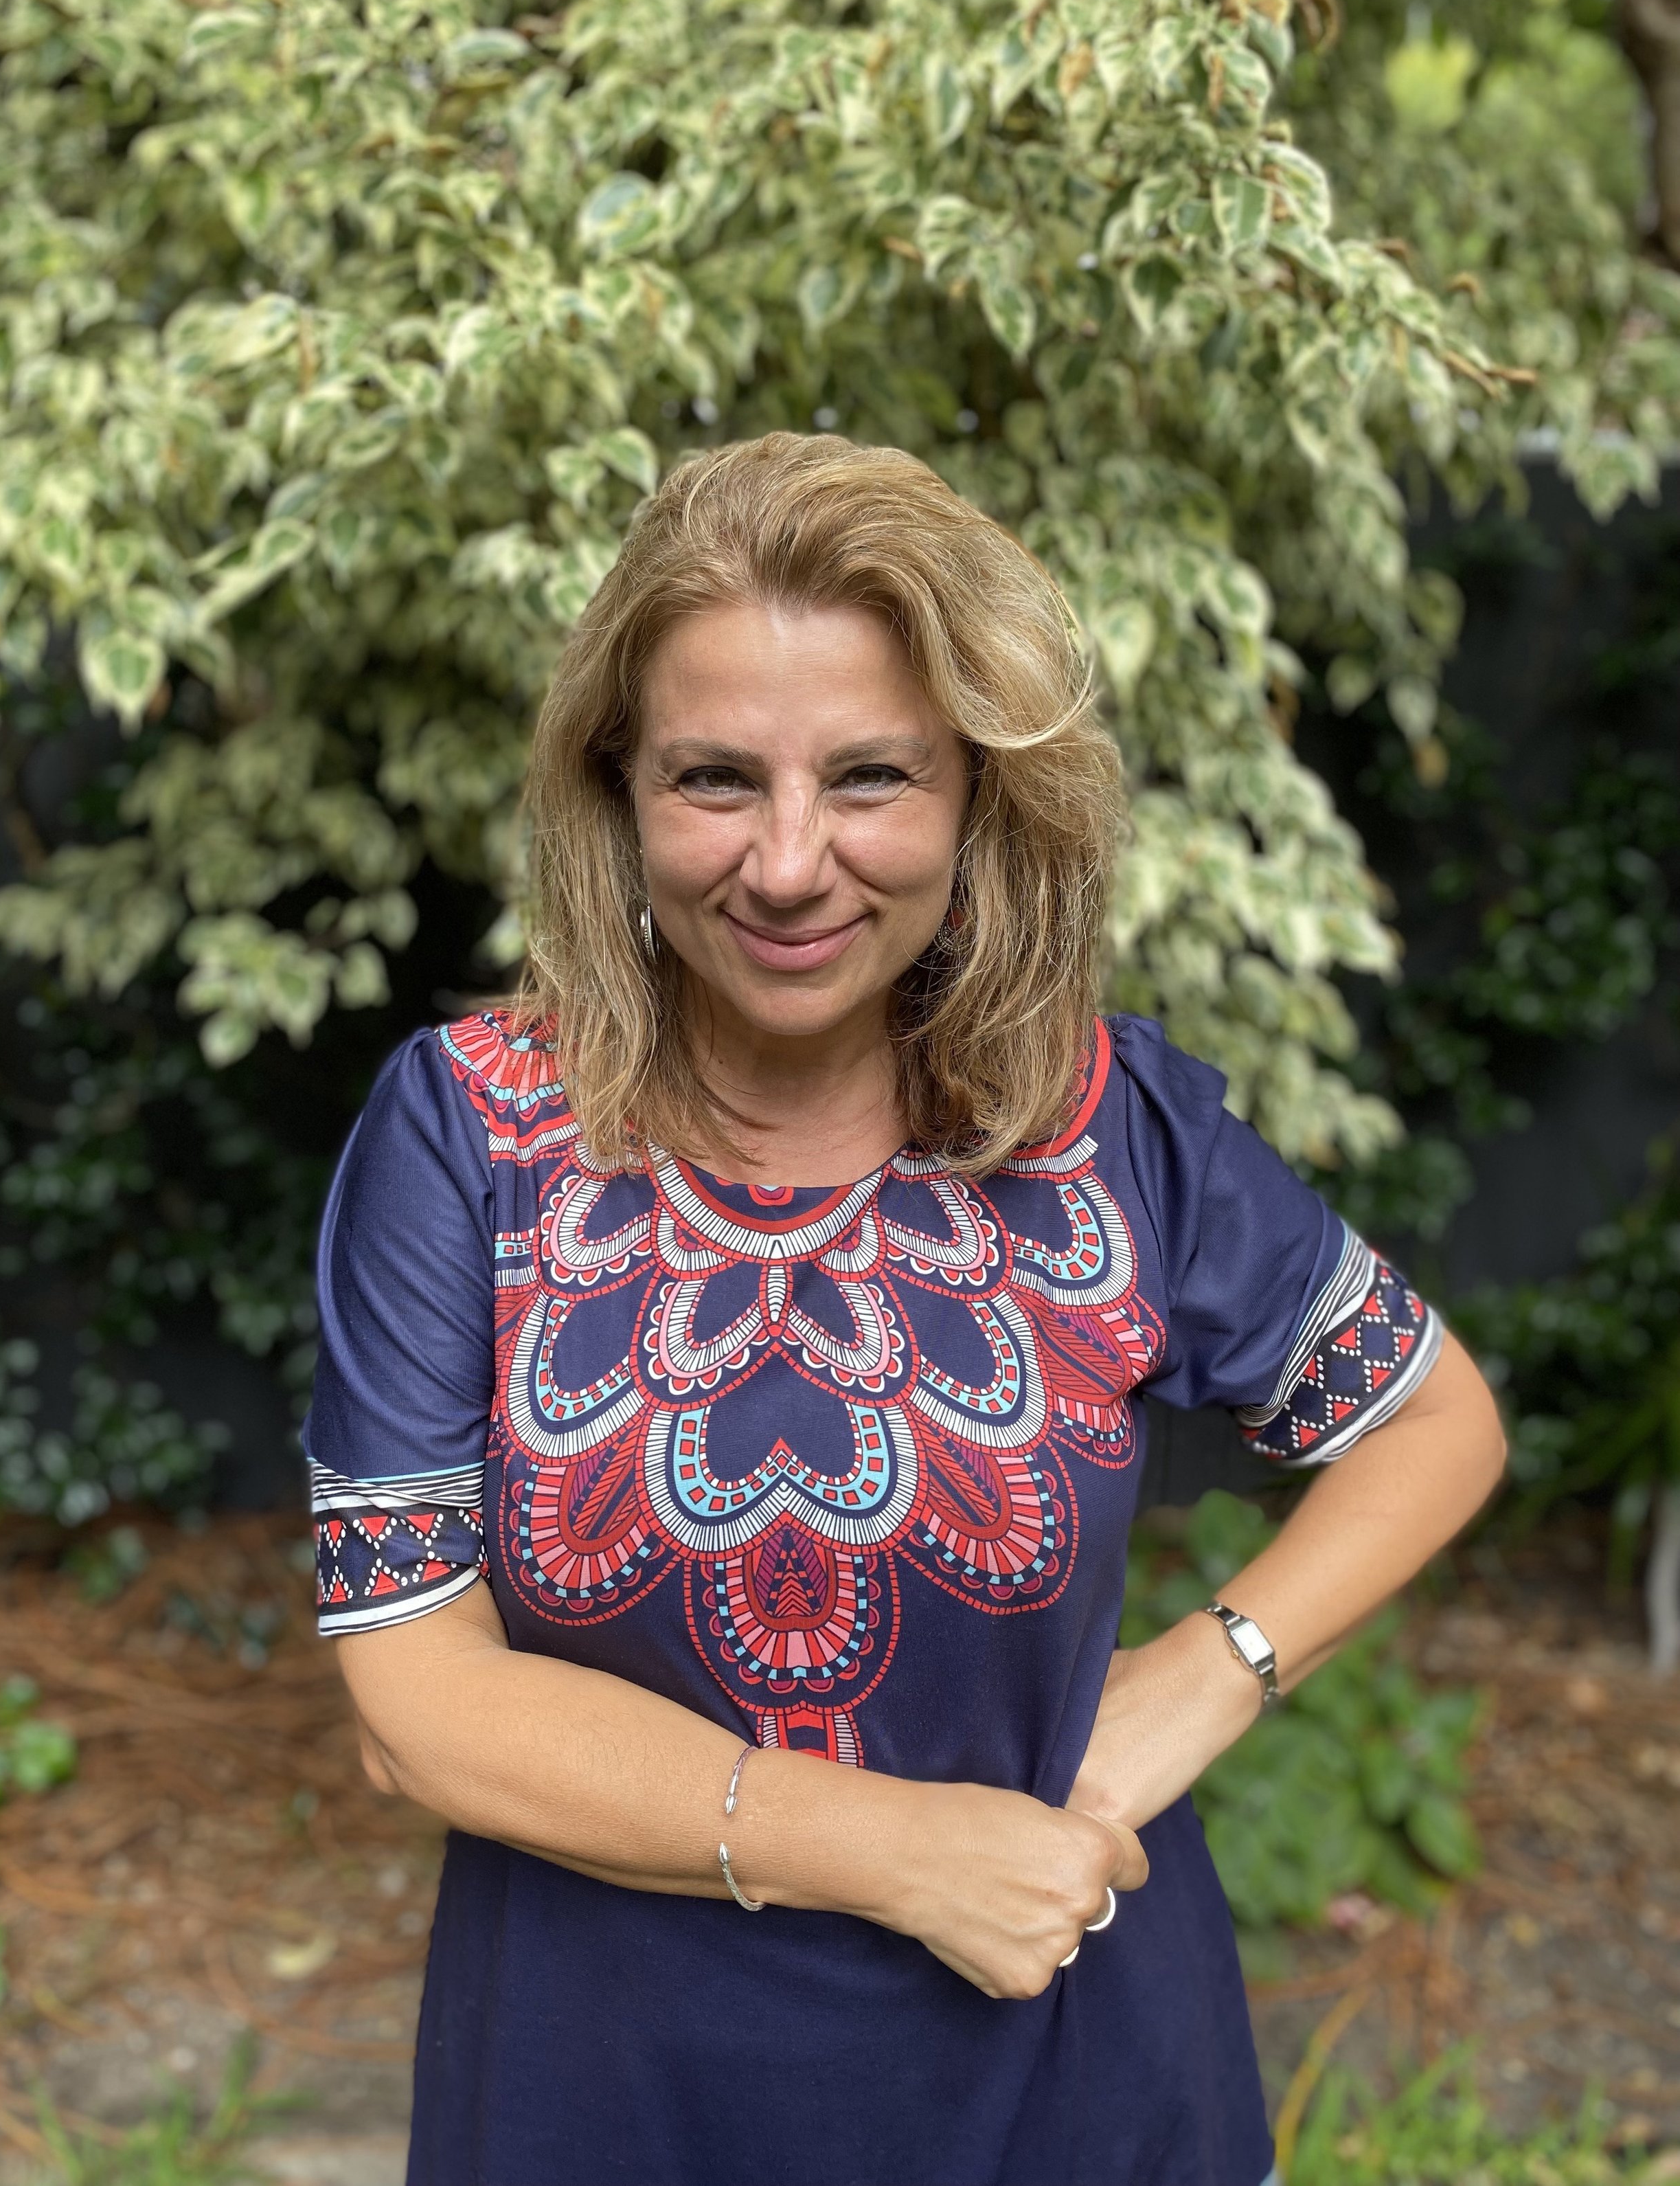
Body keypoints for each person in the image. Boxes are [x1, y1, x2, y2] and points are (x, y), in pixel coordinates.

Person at [306, 433, 1506, 2186]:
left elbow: (1434, 1417)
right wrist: (893, 1849)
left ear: (974, 796)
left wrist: (1203, 1675)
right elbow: (413, 1692)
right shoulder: (471, 1133)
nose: (790, 865)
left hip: (1080, 2089)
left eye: (870, 775)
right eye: (716, 777)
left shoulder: (1107, 1125)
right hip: (605, 2102)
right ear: (617, 790)